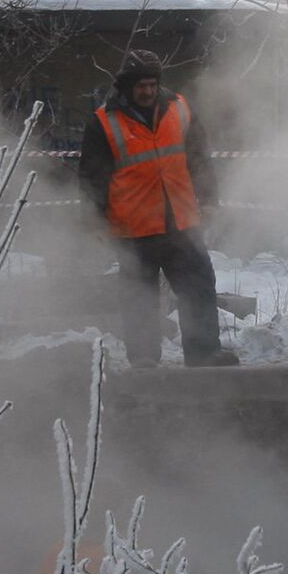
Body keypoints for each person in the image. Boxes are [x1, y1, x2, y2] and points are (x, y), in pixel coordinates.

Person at [79, 49, 238, 367]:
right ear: (126, 86)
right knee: (139, 298)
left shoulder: (179, 109)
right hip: (133, 227)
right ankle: (144, 360)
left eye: (152, 84)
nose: (148, 91)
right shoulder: (104, 122)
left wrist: (208, 200)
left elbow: (199, 160)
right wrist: (95, 220)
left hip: (181, 221)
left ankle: (204, 352)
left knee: (198, 287)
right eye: (141, 85)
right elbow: (92, 178)